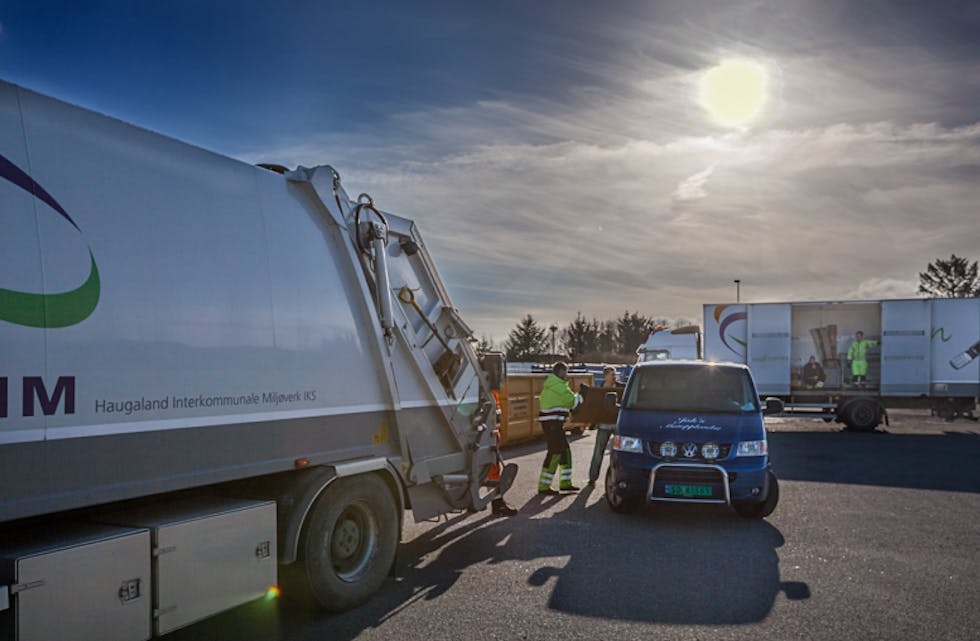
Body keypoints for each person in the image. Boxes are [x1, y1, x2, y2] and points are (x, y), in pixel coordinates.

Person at [537, 361, 580, 494]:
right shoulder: (558, 385)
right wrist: (582, 395)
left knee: (565, 451)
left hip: (554, 424)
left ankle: (565, 483)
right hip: (552, 424)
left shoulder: (555, 384)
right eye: (566, 371)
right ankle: (544, 486)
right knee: (555, 451)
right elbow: (571, 401)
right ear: (561, 371)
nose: (566, 374)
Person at [587, 366, 624, 486]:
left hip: (617, 426)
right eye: (612, 375)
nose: (615, 377)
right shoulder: (598, 390)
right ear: (605, 376)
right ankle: (592, 478)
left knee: (618, 454)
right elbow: (594, 407)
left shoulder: (621, 387)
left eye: (615, 375)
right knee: (598, 452)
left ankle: (616, 479)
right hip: (603, 426)